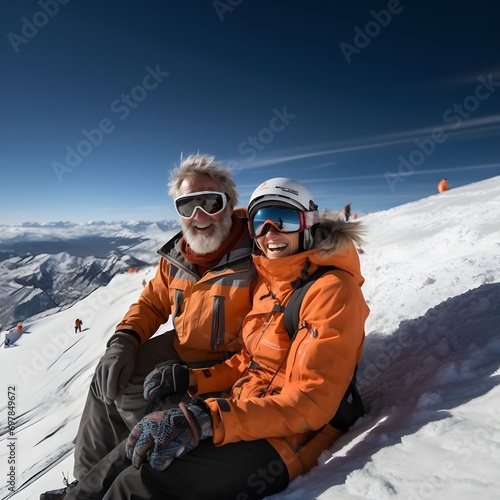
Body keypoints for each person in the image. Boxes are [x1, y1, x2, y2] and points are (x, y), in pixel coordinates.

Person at [62, 177, 369, 500]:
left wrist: (207, 419)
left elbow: (311, 403)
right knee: (136, 445)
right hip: (242, 406)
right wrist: (194, 380)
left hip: (288, 436)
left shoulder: (331, 291)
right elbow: (253, 360)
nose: (270, 233)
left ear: (308, 223)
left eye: (284, 220)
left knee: (137, 482)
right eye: (261, 224)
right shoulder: (271, 281)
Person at [41, 154, 256, 499]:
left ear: (230, 204)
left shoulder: (257, 255)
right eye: (187, 206)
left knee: (152, 411)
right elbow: (153, 302)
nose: (198, 216)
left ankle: (105, 485)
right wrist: (124, 338)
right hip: (183, 351)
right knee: (107, 381)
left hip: (229, 367)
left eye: (209, 202)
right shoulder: (179, 256)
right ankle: (84, 481)